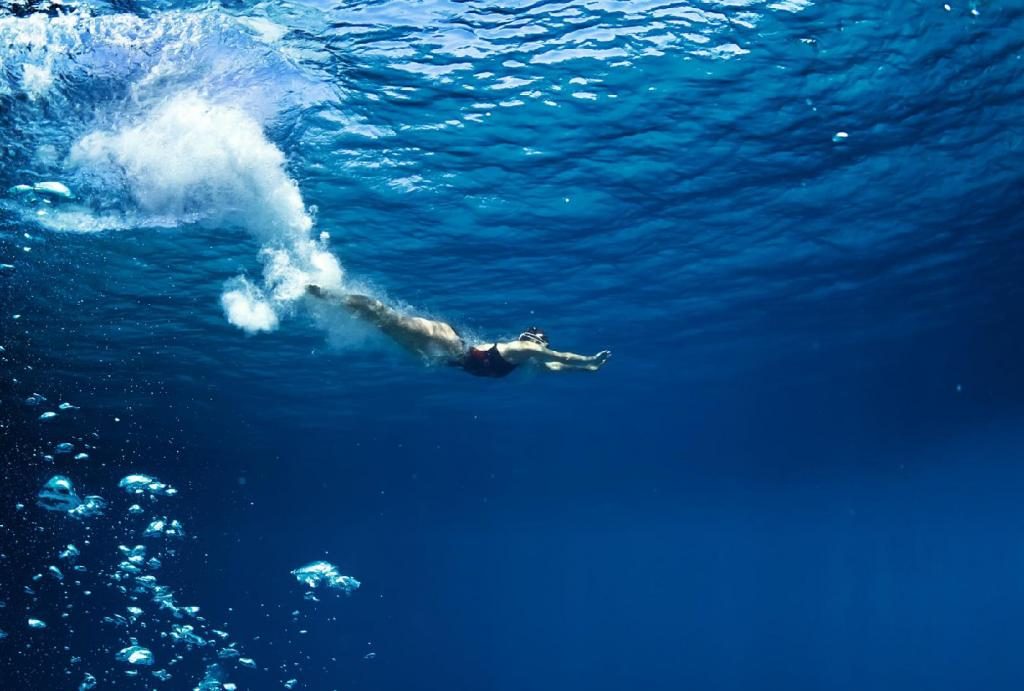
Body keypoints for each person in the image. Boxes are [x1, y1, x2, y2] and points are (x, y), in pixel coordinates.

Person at [306, 285, 611, 377]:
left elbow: (555, 367)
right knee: (391, 319)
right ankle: (332, 296)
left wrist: (589, 368)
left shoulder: (527, 357)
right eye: (543, 343)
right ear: (533, 339)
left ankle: (337, 301)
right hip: (450, 344)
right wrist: (587, 361)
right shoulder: (525, 349)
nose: (543, 348)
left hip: (446, 358)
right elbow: (561, 356)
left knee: (385, 326)